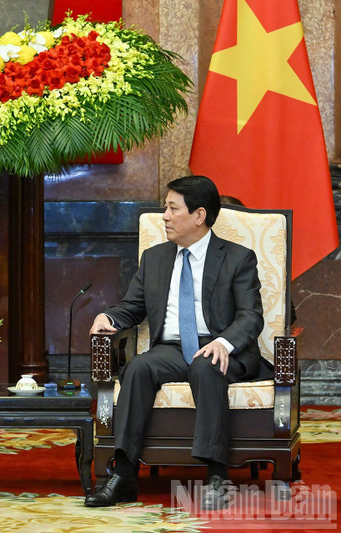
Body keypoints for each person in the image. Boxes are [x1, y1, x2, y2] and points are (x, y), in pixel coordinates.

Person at [85, 175, 270, 511]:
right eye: (165, 209)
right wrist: (108, 318)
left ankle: (217, 476)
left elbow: (250, 316)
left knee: (206, 364)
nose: (165, 216)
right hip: (170, 349)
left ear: (199, 215)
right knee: (138, 367)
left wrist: (224, 343)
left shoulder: (237, 258)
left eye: (172, 209)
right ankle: (124, 476)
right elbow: (133, 307)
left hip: (220, 348)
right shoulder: (155, 258)